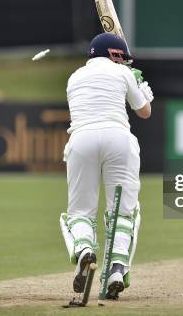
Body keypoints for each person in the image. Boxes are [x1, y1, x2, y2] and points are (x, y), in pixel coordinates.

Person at [59, 33, 153, 299]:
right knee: (123, 213)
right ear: (114, 54)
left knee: (80, 211)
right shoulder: (122, 74)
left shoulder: (74, 77)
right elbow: (144, 112)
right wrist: (142, 89)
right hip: (118, 139)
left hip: (81, 140)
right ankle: (116, 269)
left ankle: (85, 250)